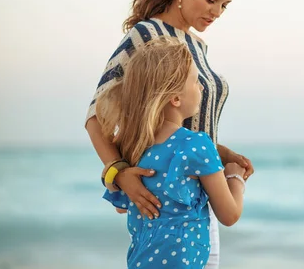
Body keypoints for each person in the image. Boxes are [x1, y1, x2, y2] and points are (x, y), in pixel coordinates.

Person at [85, 0, 254, 268]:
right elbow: (96, 116)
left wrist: (223, 153)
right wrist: (117, 173)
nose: (217, 11)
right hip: (170, 206)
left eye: (225, 4)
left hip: (202, 201)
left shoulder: (199, 47)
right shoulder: (147, 34)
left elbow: (176, 125)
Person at [97, 37, 246, 268]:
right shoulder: (196, 145)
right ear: (175, 98)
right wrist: (235, 177)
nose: (201, 87)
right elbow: (229, 215)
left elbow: (120, 206)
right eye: (196, 81)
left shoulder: (134, 145)